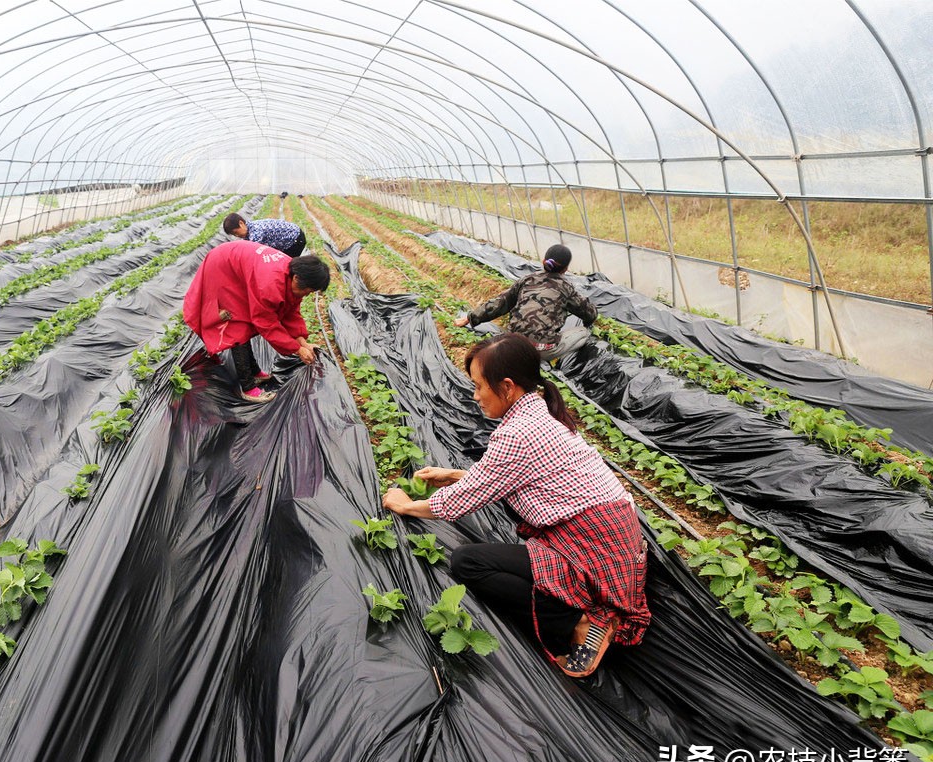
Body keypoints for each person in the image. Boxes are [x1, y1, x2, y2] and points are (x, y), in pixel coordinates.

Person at [382, 334, 649, 677]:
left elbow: (458, 504)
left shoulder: (517, 433)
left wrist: (407, 506)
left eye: (479, 386)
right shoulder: (538, 412)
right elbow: (521, 475)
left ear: (507, 387)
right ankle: (577, 608)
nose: (475, 396)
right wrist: (456, 474)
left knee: (468, 563)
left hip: (595, 551)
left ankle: (582, 622)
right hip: (612, 539)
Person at [183, 239, 329, 401]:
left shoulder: (294, 274)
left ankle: (254, 371)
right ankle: (247, 387)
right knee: (238, 326)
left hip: (238, 263)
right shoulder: (270, 284)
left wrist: (304, 343)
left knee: (244, 320)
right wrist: (297, 349)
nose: (307, 295)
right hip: (222, 268)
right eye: (308, 291)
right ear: (296, 279)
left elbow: (291, 312)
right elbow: (266, 323)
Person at [453, 244, 597, 362]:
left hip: (513, 344)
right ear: (566, 268)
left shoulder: (527, 280)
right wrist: (589, 319)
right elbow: (589, 314)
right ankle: (543, 359)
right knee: (583, 333)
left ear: (543, 262)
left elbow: (500, 303)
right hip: (541, 349)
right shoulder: (566, 288)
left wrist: (470, 318)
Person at [223, 212, 307, 258]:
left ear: (241, 223)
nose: (236, 236)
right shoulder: (249, 231)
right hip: (287, 242)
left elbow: (252, 254)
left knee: (287, 266)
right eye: (234, 235)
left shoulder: (256, 231)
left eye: (236, 232)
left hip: (295, 240)